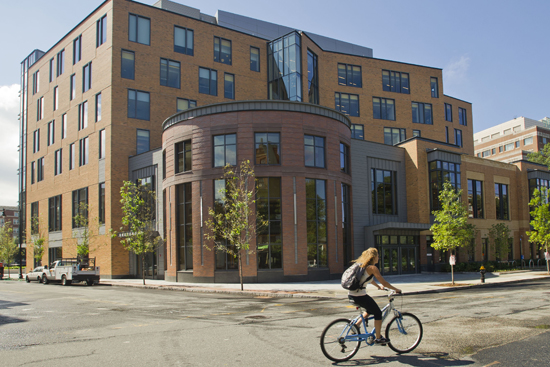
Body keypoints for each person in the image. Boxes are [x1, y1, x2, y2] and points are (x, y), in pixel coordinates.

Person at [348, 247, 401, 345]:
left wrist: (378, 287)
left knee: (369, 309)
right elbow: (384, 282)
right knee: (377, 313)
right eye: (378, 256)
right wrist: (396, 289)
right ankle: (378, 338)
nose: (379, 258)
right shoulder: (372, 268)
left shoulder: (362, 266)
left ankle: (356, 325)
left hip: (352, 295)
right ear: (374, 257)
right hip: (360, 296)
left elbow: (369, 279)